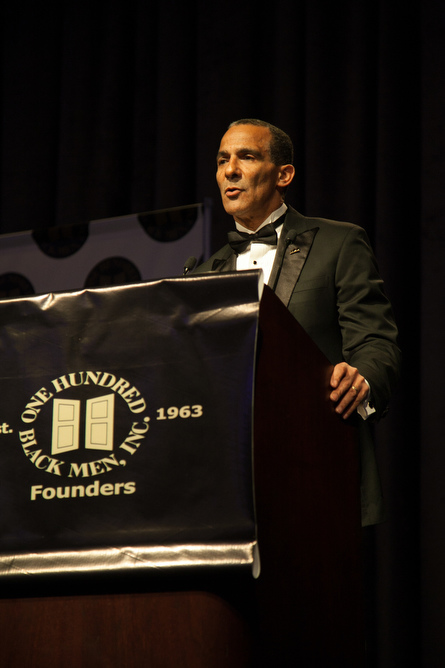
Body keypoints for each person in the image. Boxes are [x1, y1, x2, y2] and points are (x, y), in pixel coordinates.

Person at [197, 118, 401, 526]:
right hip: (226, 485)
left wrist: (361, 378)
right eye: (222, 160)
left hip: (318, 466)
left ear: (284, 174)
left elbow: (376, 342)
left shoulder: (338, 243)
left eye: (246, 157)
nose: (230, 170)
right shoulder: (201, 276)